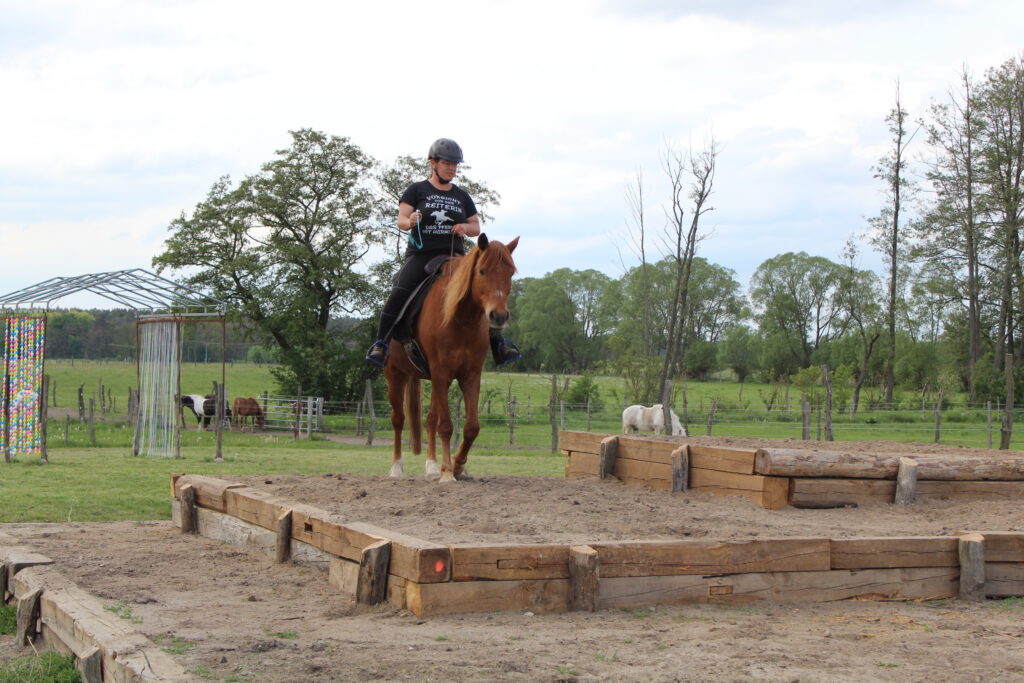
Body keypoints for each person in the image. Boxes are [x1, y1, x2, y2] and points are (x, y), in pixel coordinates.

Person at [366, 138, 522, 368]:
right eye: (447, 163)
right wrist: (410, 221)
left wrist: (465, 228)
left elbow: (476, 227)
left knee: (482, 290)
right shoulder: (417, 190)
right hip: (422, 254)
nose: (452, 168)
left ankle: (499, 344)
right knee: (401, 288)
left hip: (456, 257)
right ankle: (382, 343)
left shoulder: (462, 196)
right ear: (433, 163)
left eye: (455, 164)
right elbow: (401, 220)